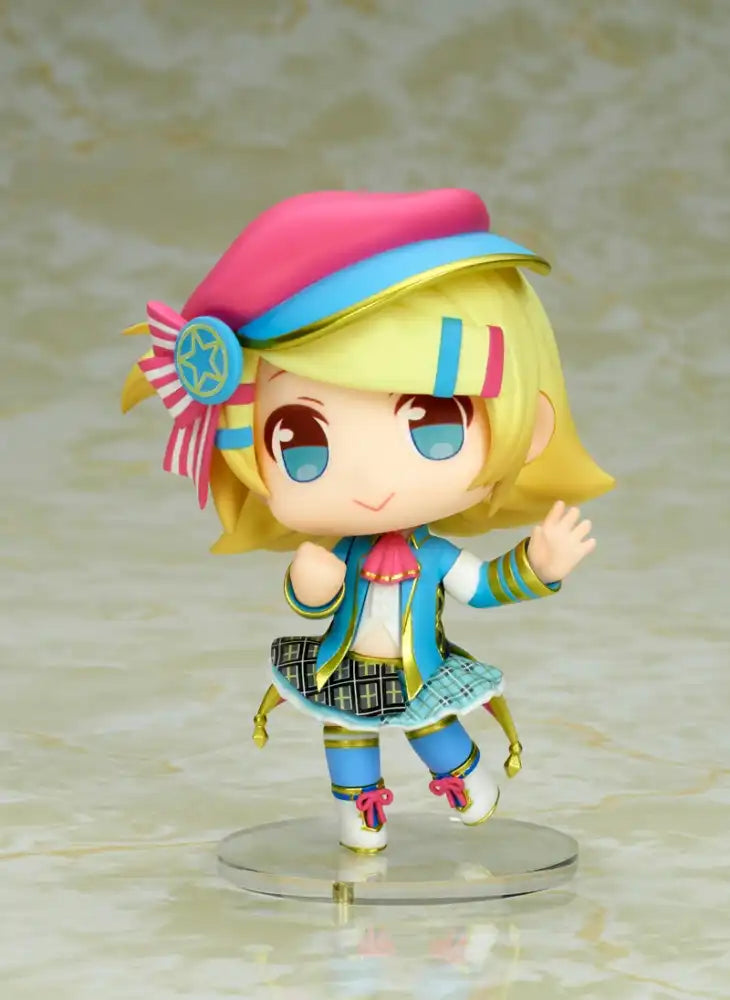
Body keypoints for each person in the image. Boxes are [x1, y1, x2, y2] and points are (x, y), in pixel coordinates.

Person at [122, 189, 613, 853]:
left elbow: (483, 587)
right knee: (346, 738)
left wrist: (538, 565)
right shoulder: (343, 553)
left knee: (434, 731)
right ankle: (362, 814)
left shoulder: (433, 558)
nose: (370, 481)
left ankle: (466, 781)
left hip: (418, 674)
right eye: (302, 441)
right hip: (342, 667)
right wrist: (312, 582)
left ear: (528, 424)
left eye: (433, 422)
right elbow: (311, 601)